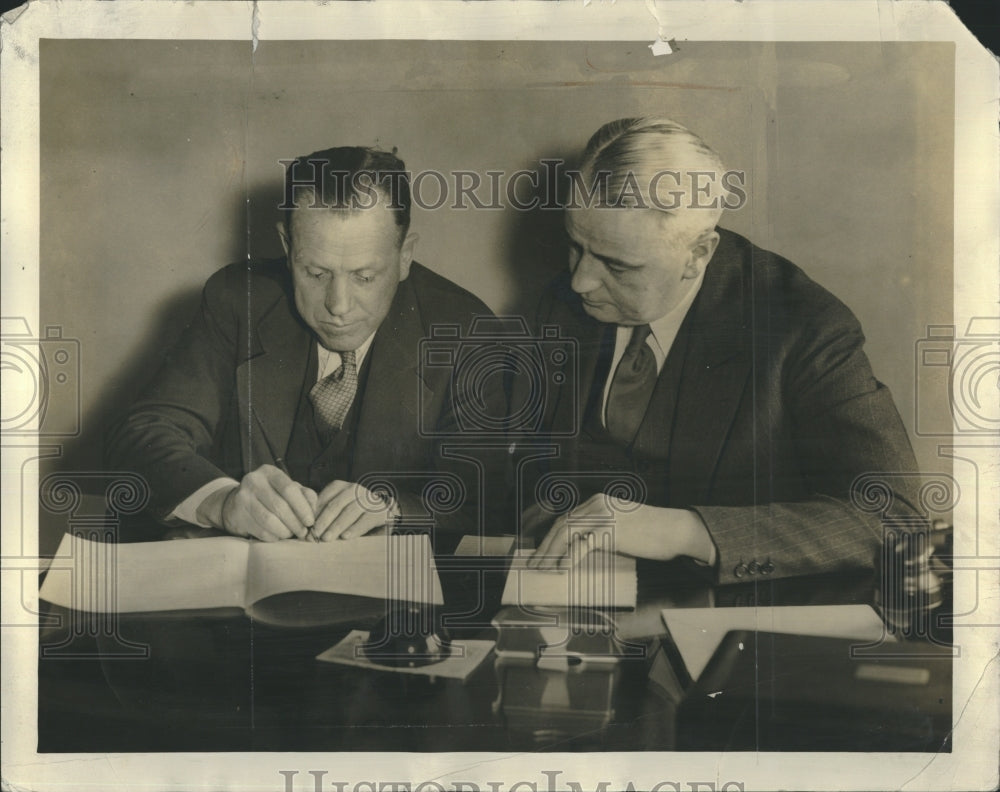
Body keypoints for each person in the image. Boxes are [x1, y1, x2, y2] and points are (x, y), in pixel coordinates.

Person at [523, 117, 924, 583]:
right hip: (596, 594)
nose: (581, 281)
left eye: (618, 265)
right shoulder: (565, 301)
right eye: (575, 247)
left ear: (697, 254)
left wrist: (687, 531)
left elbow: (896, 517)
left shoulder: (803, 327)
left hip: (748, 616)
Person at [105, 146, 496, 545]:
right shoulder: (237, 301)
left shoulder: (467, 332)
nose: (337, 306)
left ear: (404, 257)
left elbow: (494, 493)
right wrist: (221, 502)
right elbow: (144, 435)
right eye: (315, 272)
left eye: (364, 277)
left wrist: (395, 508)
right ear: (287, 247)